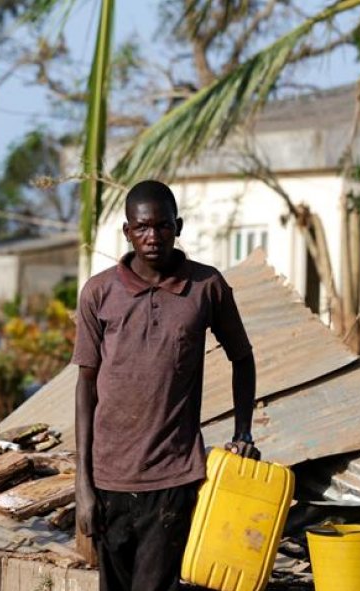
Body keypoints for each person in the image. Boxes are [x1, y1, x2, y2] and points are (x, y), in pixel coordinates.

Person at [73, 179, 258, 591]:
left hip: (172, 478)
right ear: (127, 231)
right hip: (109, 481)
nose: (152, 237)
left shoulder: (206, 287)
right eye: (141, 228)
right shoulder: (98, 293)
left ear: (179, 226)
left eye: (162, 226)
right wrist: (83, 485)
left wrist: (242, 430)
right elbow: (85, 387)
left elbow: (242, 358)